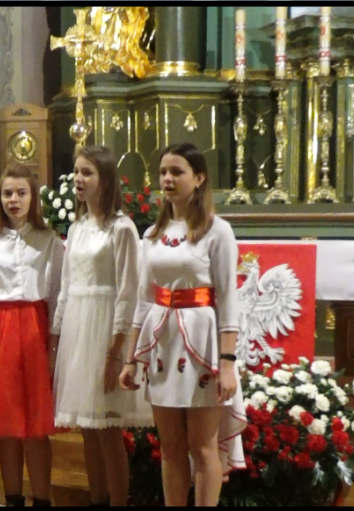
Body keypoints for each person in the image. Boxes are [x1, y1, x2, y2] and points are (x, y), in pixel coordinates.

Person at [119, 143, 247, 507]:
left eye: (177, 172)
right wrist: (131, 360)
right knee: (171, 448)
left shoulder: (217, 231)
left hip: (202, 344)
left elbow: (228, 299)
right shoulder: (152, 234)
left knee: (203, 446)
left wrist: (227, 363)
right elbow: (144, 299)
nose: (167, 179)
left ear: (199, 178)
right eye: (163, 172)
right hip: (163, 342)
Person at [50, 145, 152, 507]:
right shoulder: (76, 227)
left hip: (106, 330)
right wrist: (56, 338)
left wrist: (116, 353)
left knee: (108, 430)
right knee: (87, 430)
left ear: (105, 179)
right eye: (77, 172)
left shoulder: (121, 229)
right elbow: (65, 288)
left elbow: (128, 293)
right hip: (77, 330)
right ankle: (97, 500)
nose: (78, 179)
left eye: (87, 173)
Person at [0, 166, 63, 507]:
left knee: (36, 427)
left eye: (21, 193)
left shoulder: (49, 240)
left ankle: (42, 500)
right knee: (6, 425)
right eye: (7, 193)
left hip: (35, 328)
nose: (14, 199)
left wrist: (54, 342)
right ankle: (12, 499)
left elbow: (57, 293)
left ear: (33, 197)